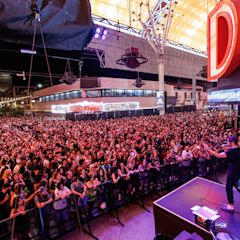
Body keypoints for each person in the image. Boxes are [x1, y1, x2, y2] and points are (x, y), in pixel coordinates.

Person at [204, 136, 240, 212]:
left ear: (232, 142)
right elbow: (229, 156)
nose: (227, 142)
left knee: (229, 188)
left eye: (228, 141)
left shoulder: (232, 151)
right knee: (238, 187)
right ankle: (230, 204)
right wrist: (225, 149)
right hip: (237, 172)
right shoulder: (237, 149)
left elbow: (218, 155)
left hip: (232, 173)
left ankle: (230, 206)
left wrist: (208, 149)